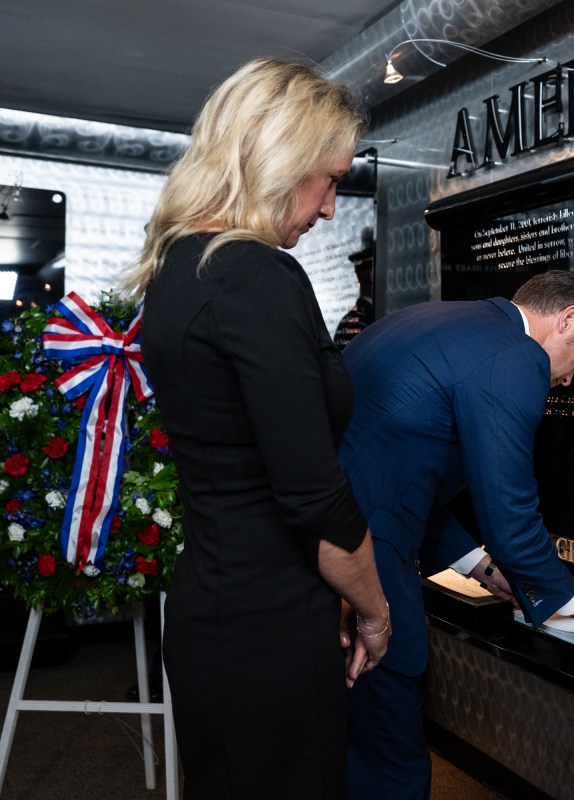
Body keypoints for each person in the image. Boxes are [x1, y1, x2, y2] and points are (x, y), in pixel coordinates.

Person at [124, 58, 390, 800]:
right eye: (330, 180)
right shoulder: (256, 276)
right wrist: (375, 611)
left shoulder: (178, 266)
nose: (333, 208)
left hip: (213, 606)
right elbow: (313, 496)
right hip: (269, 630)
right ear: (280, 160)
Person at [338, 269, 574, 798]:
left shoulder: (433, 320)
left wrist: (486, 572)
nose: (570, 380)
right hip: (368, 570)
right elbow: (508, 504)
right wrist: (570, 596)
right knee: (391, 759)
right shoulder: (517, 356)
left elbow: (401, 475)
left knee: (351, 751)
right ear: (567, 319)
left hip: (331, 546)